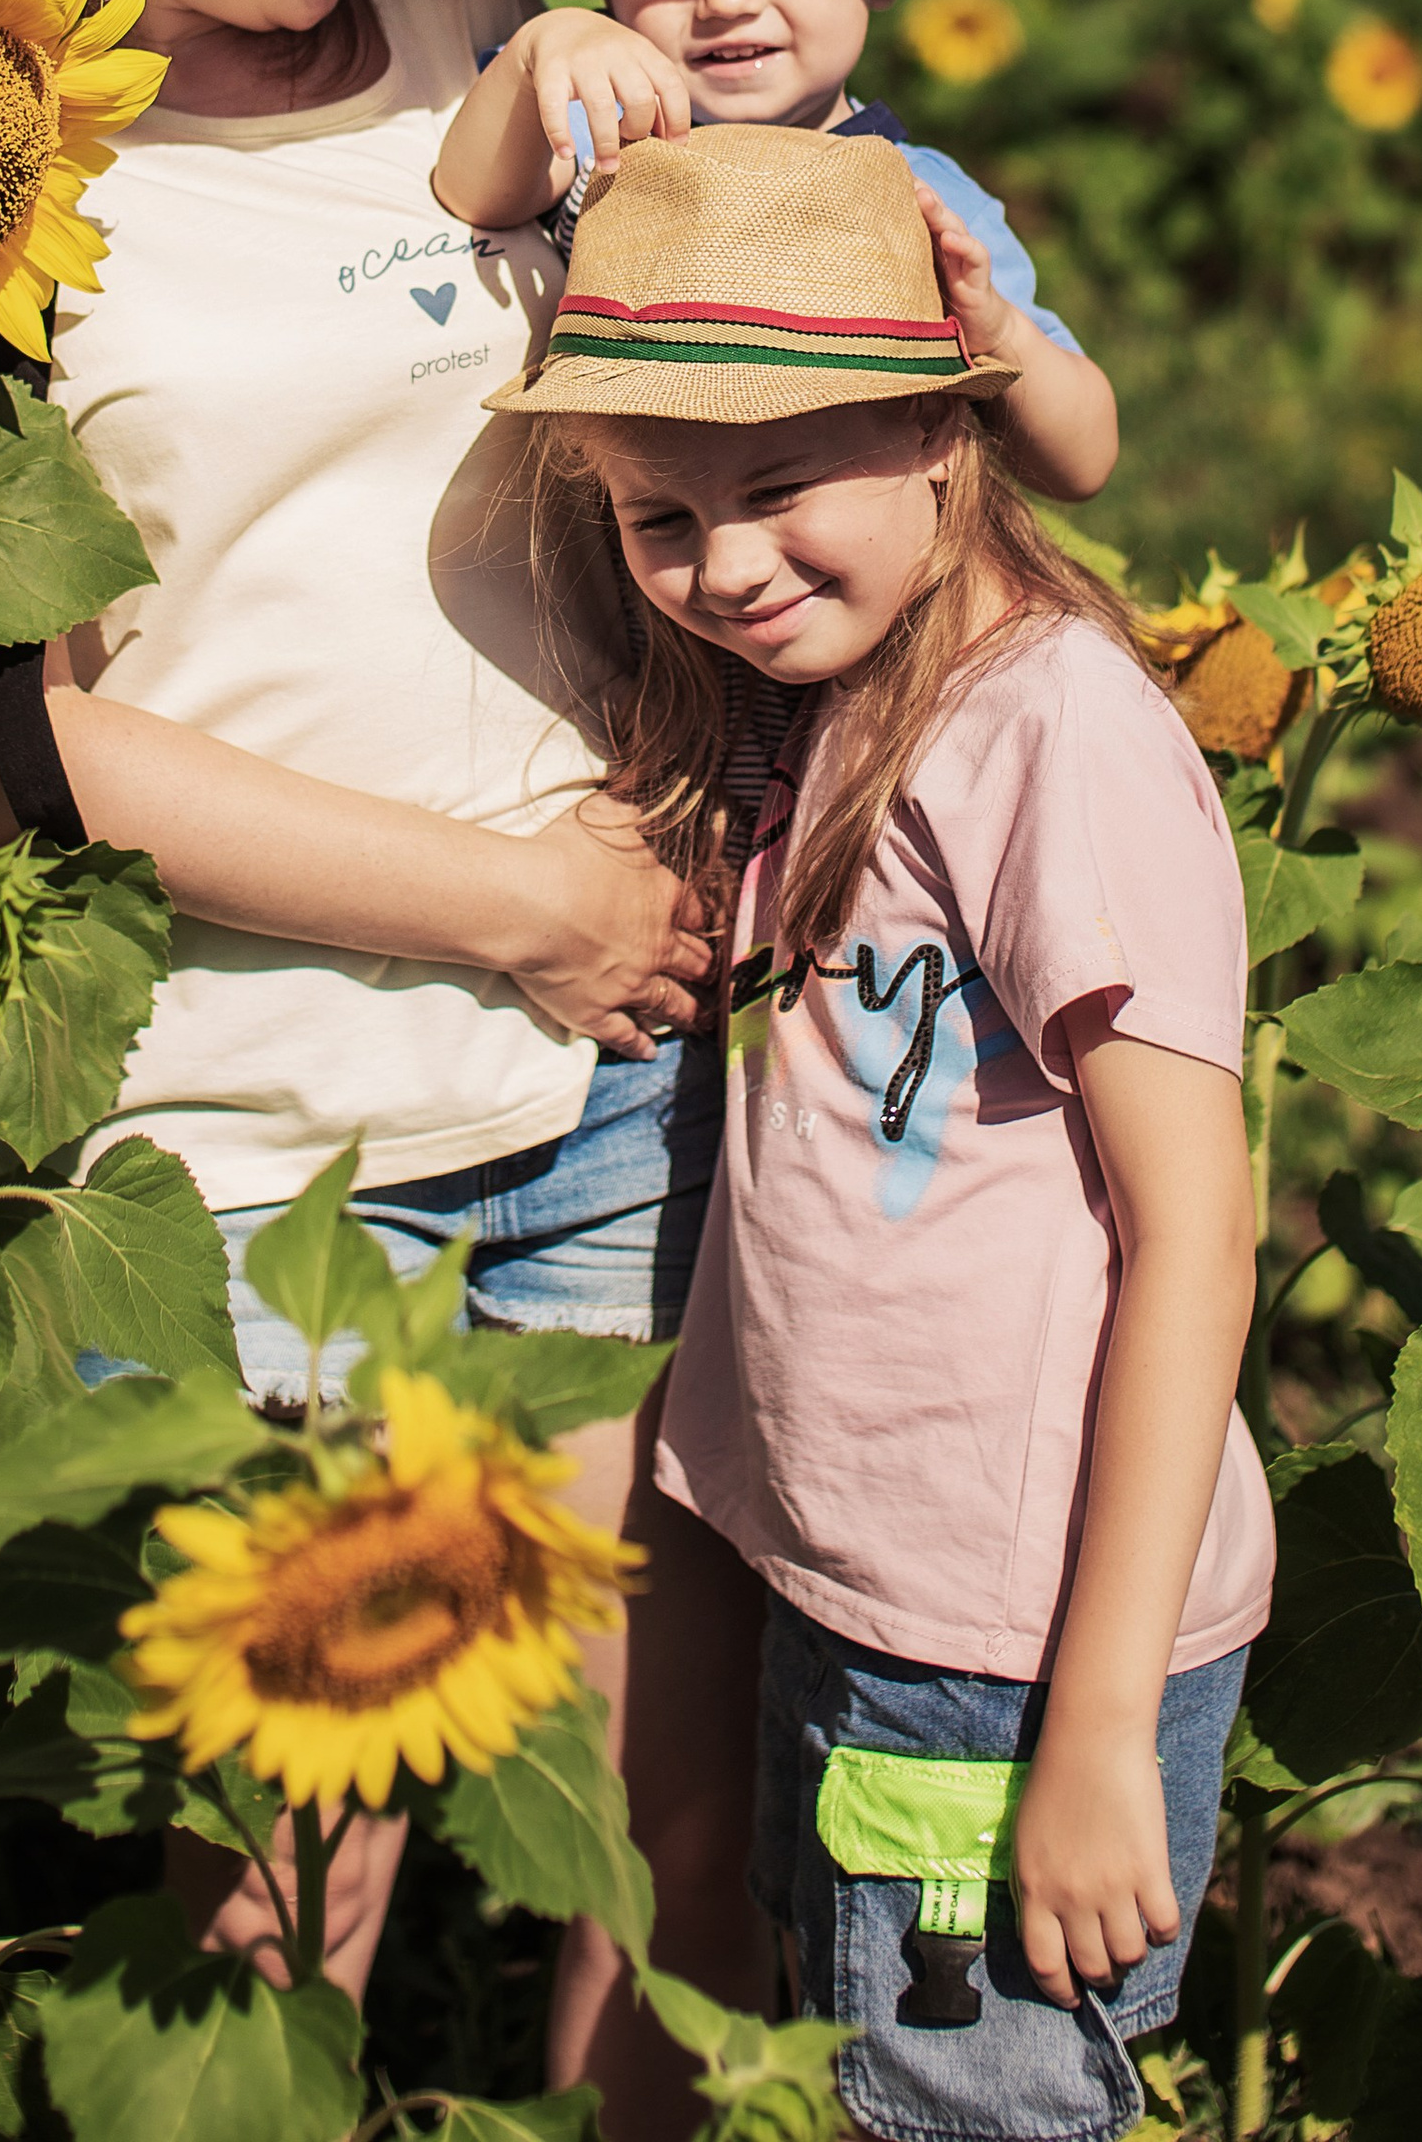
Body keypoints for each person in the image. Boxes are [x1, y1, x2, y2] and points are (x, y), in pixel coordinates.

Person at [0, 0, 747, 2025]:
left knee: (619, 1789)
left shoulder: (469, 13)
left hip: (581, 1098)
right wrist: (524, 903)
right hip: (233, 1144)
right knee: (278, 1882)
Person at [501, 128, 1270, 2142]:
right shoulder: (835, 698)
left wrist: (1095, 1722)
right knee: (877, 2071)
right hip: (876, 1586)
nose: (722, 567)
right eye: (657, 518)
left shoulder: (1052, 735)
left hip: (1014, 1645)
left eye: (774, 491)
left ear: (945, 431)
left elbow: (1193, 1233)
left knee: (973, 2102)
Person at [435, 0, 1119, 504]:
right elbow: (476, 191)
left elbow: (1081, 465)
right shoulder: (606, 137)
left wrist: (997, 329)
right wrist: (535, 53)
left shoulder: (920, 202)